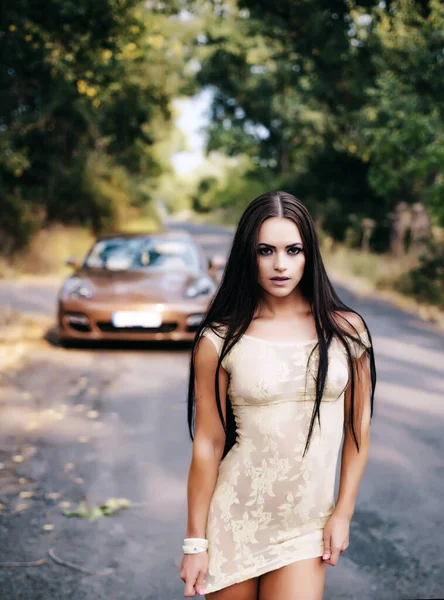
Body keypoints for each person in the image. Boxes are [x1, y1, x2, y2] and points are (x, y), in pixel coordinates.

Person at [180, 191, 377, 600]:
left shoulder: (346, 331)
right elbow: (209, 443)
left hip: (306, 526)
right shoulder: (219, 338)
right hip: (234, 519)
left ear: (310, 255)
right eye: (265, 251)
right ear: (247, 256)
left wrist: (343, 512)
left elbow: (358, 430)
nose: (280, 264)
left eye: (293, 250)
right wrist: (195, 542)